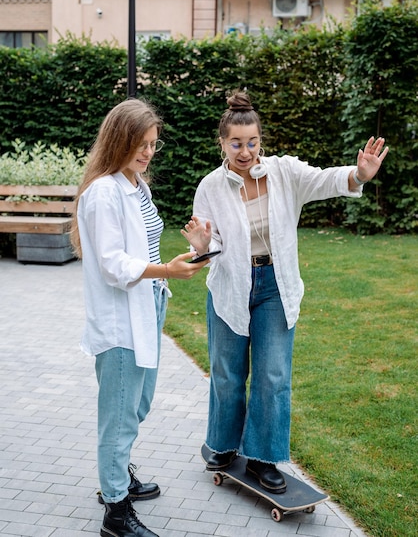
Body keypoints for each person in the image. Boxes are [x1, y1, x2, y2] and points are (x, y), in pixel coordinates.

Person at [181, 90, 388, 494]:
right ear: (222, 143)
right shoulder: (210, 187)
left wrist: (359, 174)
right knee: (227, 374)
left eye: (252, 142)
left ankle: (261, 458)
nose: (246, 152)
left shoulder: (282, 172)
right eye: (237, 144)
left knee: (273, 375)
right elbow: (204, 243)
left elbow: (326, 179)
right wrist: (201, 247)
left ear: (262, 140)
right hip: (230, 285)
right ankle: (223, 445)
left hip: (276, 285)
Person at [70, 98, 209, 537]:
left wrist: (181, 261)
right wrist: (166, 269)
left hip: (148, 305)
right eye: (140, 144)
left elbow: (144, 247)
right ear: (119, 141)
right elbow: (113, 264)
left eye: (153, 144)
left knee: (138, 403)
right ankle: (116, 510)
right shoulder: (103, 193)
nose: (148, 153)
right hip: (119, 319)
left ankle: (118, 475)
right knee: (118, 414)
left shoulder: (135, 185)